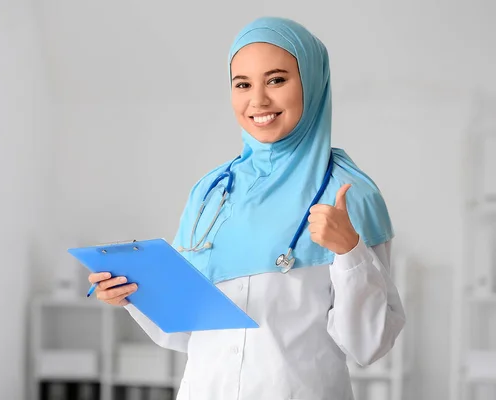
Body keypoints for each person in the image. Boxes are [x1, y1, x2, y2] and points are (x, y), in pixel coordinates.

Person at [88, 16, 406, 400]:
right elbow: (184, 334)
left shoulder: (348, 193)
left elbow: (367, 346)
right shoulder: (210, 193)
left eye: (276, 80)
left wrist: (350, 252)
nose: (258, 100)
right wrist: (132, 295)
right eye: (242, 84)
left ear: (312, 82)